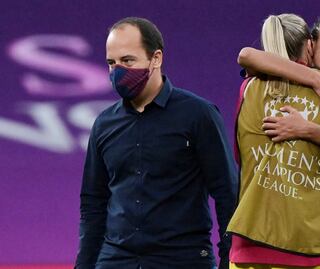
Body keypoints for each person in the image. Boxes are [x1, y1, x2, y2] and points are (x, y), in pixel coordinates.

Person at [75, 17, 238, 269]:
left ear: (156, 58)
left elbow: (227, 193)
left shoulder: (198, 115)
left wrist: (229, 261)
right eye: (111, 63)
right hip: (116, 259)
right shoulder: (104, 124)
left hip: (182, 259)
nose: (118, 71)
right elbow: (93, 203)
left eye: (128, 61)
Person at [227, 11, 320, 269]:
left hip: (251, 243)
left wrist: (306, 129)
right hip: (314, 248)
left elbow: (247, 56)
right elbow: (247, 55)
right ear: (312, 44)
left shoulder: (251, 86)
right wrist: (314, 78)